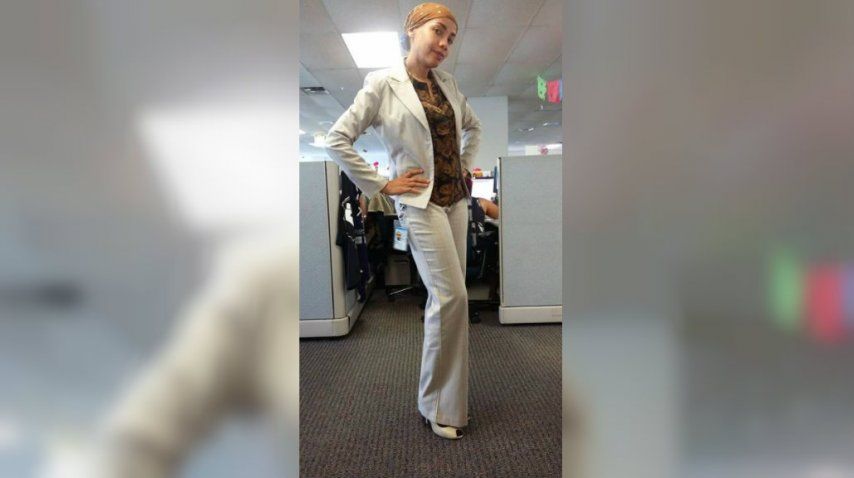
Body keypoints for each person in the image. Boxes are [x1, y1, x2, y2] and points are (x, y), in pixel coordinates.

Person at [325, 2, 481, 440]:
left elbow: (474, 128)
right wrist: (382, 184)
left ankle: (450, 401)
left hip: (455, 202)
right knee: (450, 298)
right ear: (413, 29)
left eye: (452, 38)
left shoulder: (448, 84)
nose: (445, 43)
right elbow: (337, 139)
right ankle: (437, 405)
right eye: (438, 31)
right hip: (419, 204)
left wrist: (464, 165)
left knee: (451, 301)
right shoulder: (383, 83)